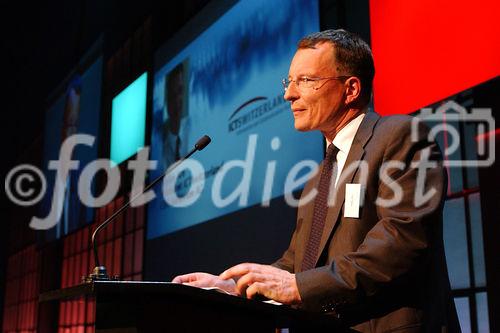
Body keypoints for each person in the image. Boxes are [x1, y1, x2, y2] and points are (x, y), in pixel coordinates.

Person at [173, 29, 459, 332]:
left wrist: (298, 287)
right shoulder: (316, 179)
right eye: (289, 82)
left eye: (306, 81)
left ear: (350, 89)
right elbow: (298, 266)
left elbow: (401, 243)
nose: (289, 94)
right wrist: (235, 288)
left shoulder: (400, 137)